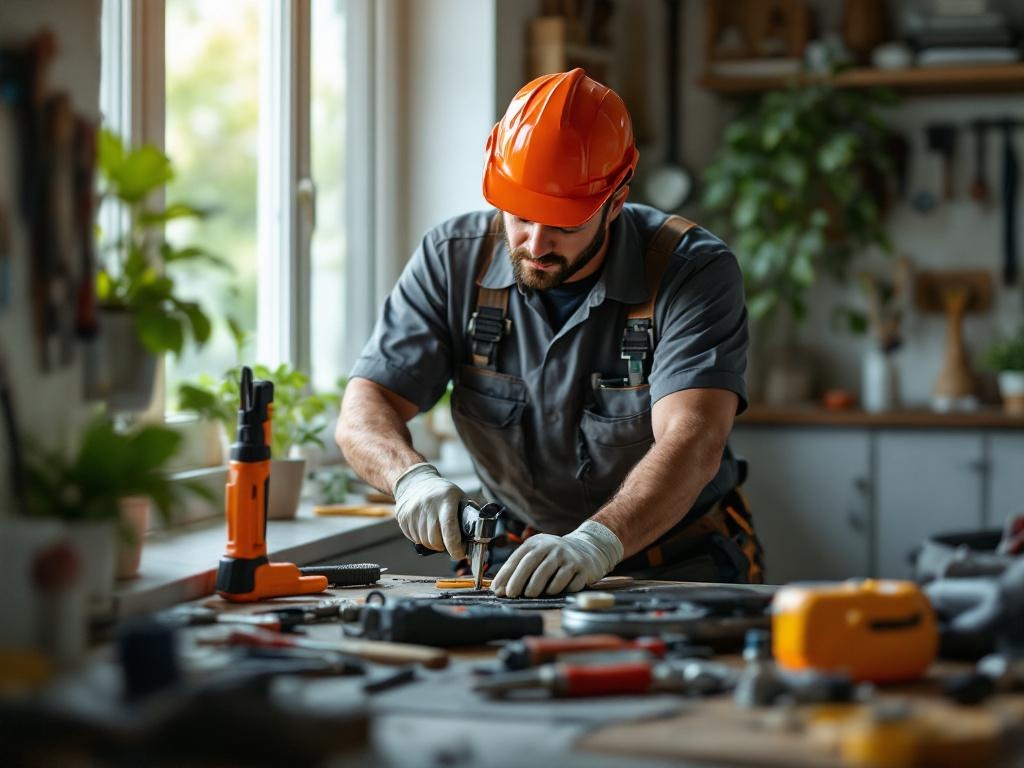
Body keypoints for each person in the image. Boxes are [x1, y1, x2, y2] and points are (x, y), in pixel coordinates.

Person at [336, 68, 762, 598]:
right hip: (511, 563)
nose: (535, 243)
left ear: (615, 200)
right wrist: (410, 479)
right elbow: (364, 406)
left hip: (674, 564)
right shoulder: (452, 259)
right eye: (520, 215)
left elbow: (694, 439)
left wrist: (596, 543)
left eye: (564, 222)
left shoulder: (691, 270)